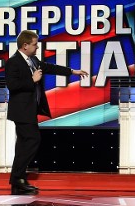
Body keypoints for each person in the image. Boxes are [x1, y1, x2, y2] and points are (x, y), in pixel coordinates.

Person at [5, 30, 90, 194]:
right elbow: (12, 85)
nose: (37, 47)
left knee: (24, 144)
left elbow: (50, 67)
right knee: (32, 140)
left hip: (30, 110)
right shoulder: (13, 62)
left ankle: (18, 181)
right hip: (21, 111)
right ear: (25, 45)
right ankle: (17, 178)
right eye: (35, 44)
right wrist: (31, 80)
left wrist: (73, 72)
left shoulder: (33, 60)